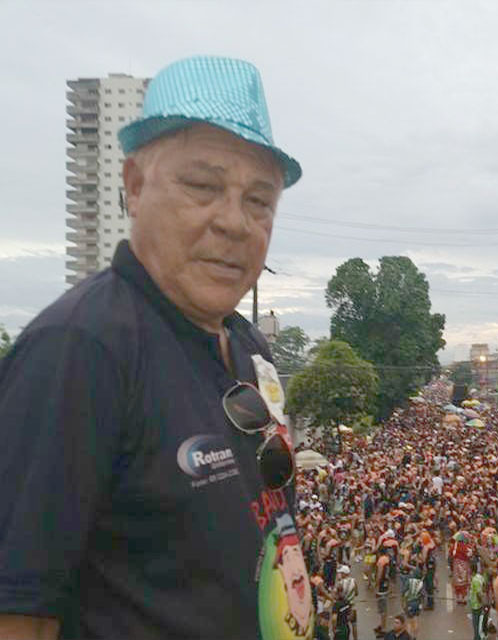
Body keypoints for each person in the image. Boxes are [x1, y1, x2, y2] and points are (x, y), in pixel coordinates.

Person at [0, 56, 307, 640]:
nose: (235, 223)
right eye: (203, 186)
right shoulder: (79, 351)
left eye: (259, 201)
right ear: (135, 186)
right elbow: (18, 612)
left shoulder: (247, 346)